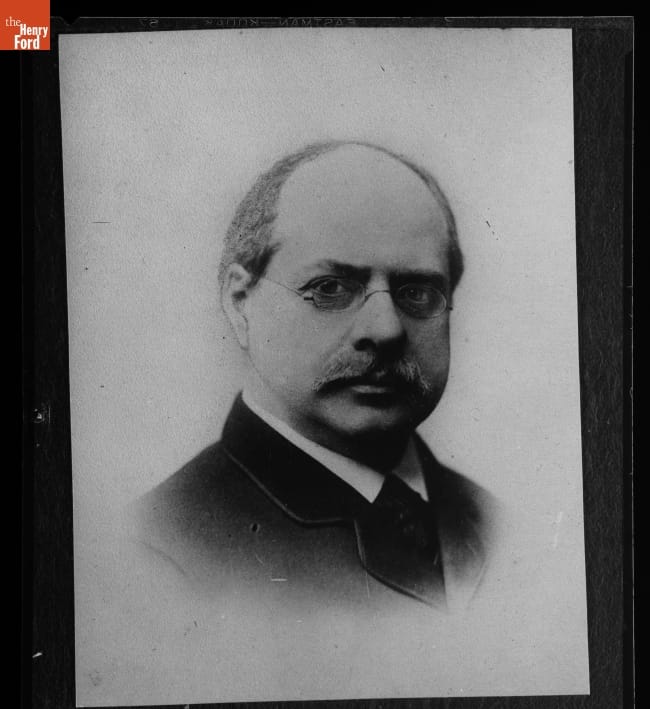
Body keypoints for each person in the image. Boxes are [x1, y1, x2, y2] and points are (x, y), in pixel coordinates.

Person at [134, 140, 499, 615]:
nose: (385, 330)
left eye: (417, 292)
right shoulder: (161, 555)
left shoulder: (500, 523)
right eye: (330, 288)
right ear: (240, 304)